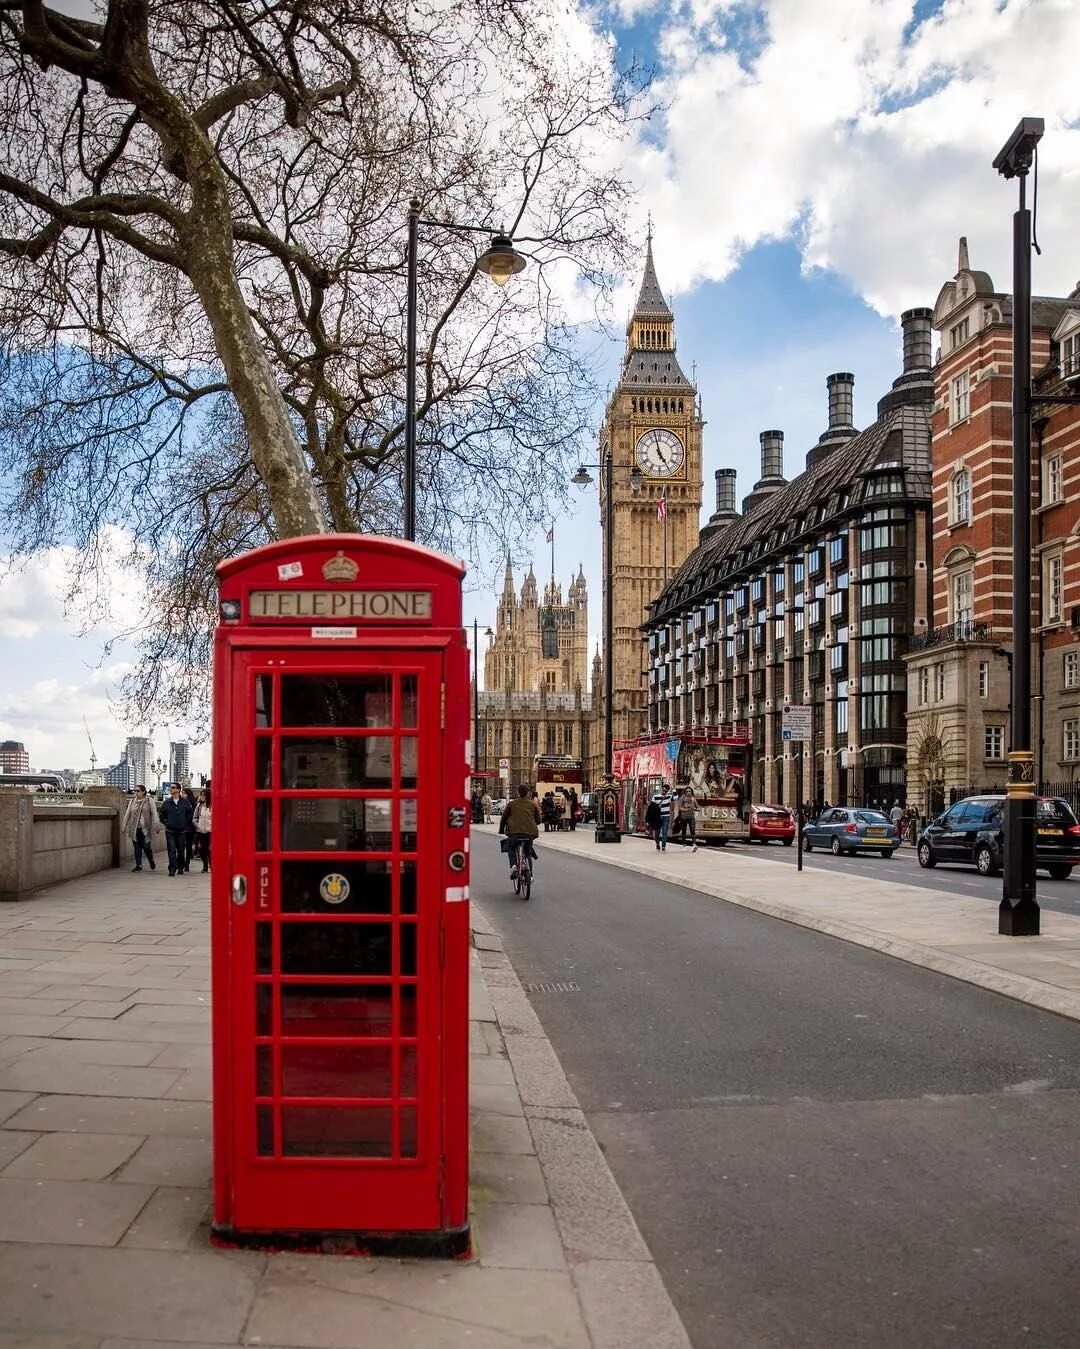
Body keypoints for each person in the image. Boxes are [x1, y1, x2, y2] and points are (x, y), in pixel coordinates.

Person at [499, 784, 540, 878]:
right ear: (528, 793)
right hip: (530, 832)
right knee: (528, 852)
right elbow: (539, 820)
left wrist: (501, 830)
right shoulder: (533, 804)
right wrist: (531, 824)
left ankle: (514, 866)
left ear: (518, 793)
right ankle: (530, 875)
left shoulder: (512, 804)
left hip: (514, 832)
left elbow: (504, 818)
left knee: (511, 848)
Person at [159, 782, 194, 876]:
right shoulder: (167, 802)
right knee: (171, 850)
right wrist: (166, 823)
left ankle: (180, 866)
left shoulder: (185, 802)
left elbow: (190, 814)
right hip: (170, 830)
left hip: (182, 830)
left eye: (173, 788)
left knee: (181, 851)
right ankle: (172, 868)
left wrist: (185, 823)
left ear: (178, 790)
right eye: (170, 788)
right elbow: (161, 815)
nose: (171, 789)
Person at [123, 784, 159, 873]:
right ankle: (139, 865)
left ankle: (151, 860)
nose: (136, 792)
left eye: (138, 791)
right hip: (134, 828)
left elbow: (154, 813)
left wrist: (156, 825)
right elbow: (127, 814)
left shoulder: (149, 801)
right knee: (137, 847)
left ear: (143, 792)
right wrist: (124, 825)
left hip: (145, 829)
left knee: (146, 847)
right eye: (134, 791)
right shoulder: (132, 801)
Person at [649, 782, 673, 851]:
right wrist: (657, 807)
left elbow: (676, 797)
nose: (664, 792)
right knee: (657, 832)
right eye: (663, 790)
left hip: (666, 816)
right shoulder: (655, 797)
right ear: (661, 789)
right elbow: (651, 806)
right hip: (658, 817)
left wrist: (673, 790)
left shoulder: (669, 797)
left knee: (665, 831)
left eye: (665, 791)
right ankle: (657, 843)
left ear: (667, 791)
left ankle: (663, 846)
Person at [193, 787, 212, 873]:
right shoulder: (199, 806)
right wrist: (198, 826)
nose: (201, 797)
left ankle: (211, 865)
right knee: (202, 849)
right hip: (201, 831)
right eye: (201, 795)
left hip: (210, 831)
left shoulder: (213, 805)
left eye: (203, 795)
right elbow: (194, 818)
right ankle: (205, 865)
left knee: (209, 849)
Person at [677, 786, 699, 852]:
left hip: (691, 816)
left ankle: (694, 844)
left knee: (693, 830)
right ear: (685, 792)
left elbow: (698, 807)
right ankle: (684, 845)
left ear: (691, 792)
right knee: (684, 830)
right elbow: (679, 808)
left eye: (689, 791)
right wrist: (685, 809)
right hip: (684, 817)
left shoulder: (693, 799)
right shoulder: (682, 798)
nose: (688, 792)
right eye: (687, 791)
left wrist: (695, 809)